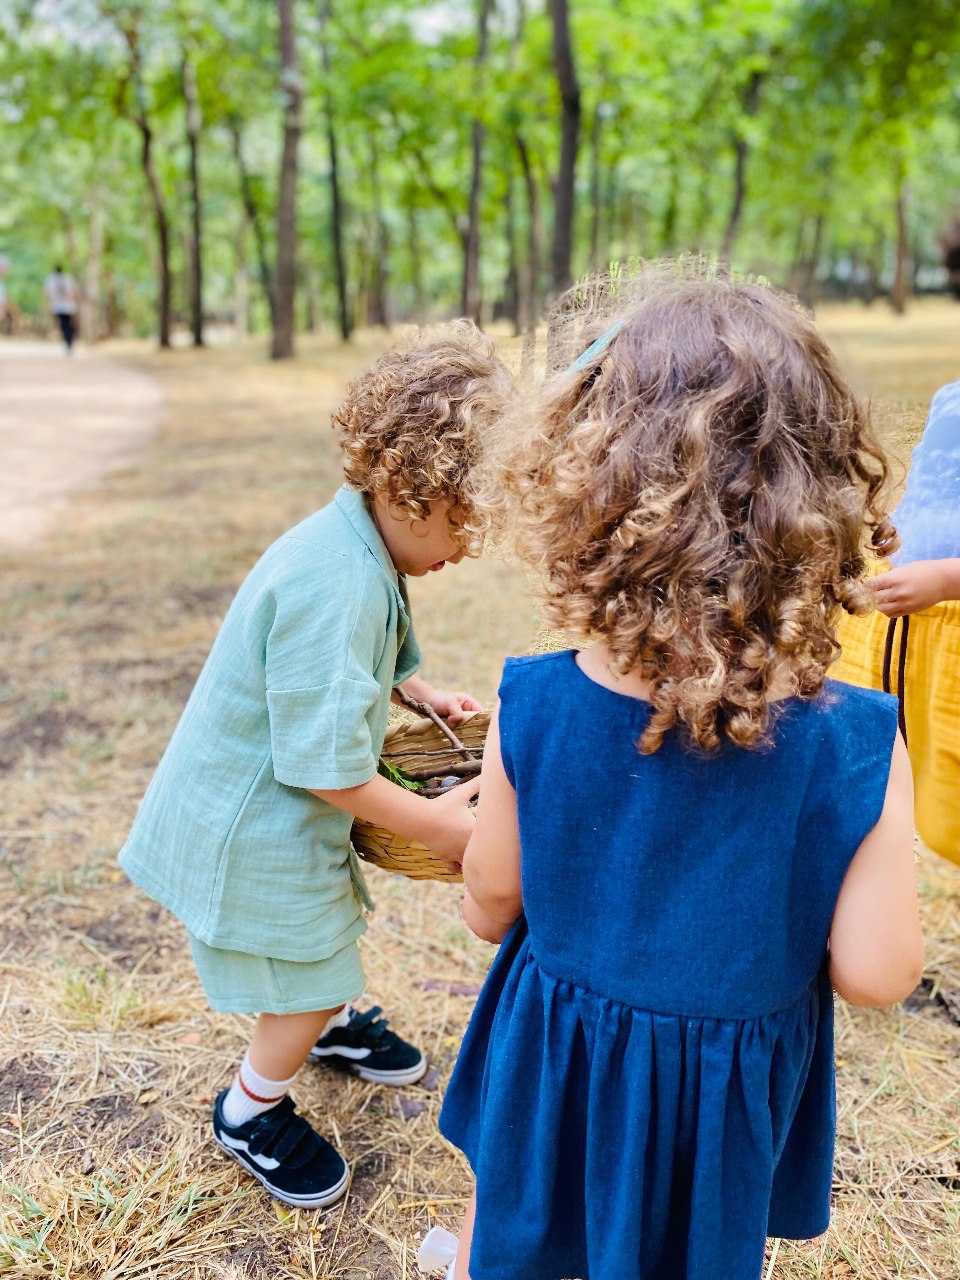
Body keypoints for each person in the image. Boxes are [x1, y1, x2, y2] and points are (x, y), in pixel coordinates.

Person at [427, 264, 923, 1280]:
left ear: (588, 490)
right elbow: (878, 973)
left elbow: (489, 906)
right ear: (821, 499)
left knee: (512, 1233)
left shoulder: (536, 696)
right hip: (714, 1108)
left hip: (552, 1071)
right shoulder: (861, 739)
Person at [120, 321, 512, 1210]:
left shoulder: (359, 547)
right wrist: (441, 826)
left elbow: (365, 662)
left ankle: (328, 1024)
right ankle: (250, 1109)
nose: (463, 551)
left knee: (325, 944)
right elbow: (322, 769)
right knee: (309, 963)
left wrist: (417, 690)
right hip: (256, 823)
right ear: (410, 491)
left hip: (281, 807)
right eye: (461, 524)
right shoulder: (335, 581)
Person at [832, 380, 960, 865]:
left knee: (950, 810)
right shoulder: (951, 395)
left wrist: (946, 580)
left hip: (951, 629)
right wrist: (897, 534)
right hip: (899, 628)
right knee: (878, 760)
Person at [44, 263, 79, 351]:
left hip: (58, 306)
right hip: (69, 306)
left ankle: (68, 340)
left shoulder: (51, 279)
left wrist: (48, 306)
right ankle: (69, 340)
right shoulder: (69, 278)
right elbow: (74, 292)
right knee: (68, 324)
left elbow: (48, 294)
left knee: (63, 324)